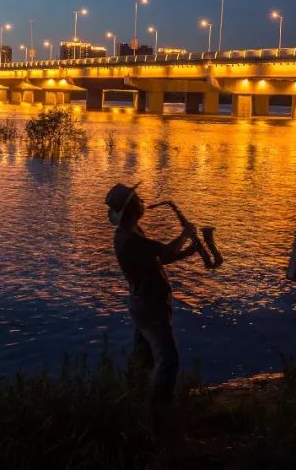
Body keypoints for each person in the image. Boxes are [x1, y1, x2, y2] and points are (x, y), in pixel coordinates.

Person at [105, 182, 198, 436]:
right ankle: (159, 420)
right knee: (168, 359)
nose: (143, 202)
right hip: (149, 306)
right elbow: (165, 253)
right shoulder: (129, 239)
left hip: (145, 304)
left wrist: (189, 250)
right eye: (138, 201)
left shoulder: (131, 233)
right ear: (132, 210)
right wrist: (186, 235)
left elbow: (159, 257)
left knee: (142, 360)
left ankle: (134, 412)